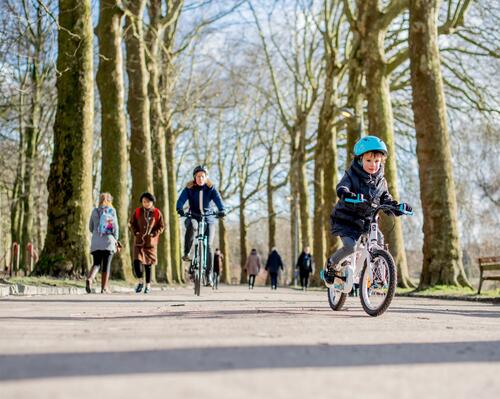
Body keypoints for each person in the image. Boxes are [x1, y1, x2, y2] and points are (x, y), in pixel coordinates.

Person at [324, 136, 412, 287]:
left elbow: (386, 199)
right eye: (369, 161)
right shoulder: (352, 174)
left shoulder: (381, 181)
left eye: (377, 161)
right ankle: (331, 265)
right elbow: (342, 187)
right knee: (350, 247)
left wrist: (397, 207)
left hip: (368, 221)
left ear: (381, 161)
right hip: (347, 220)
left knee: (378, 241)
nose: (373, 165)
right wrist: (346, 193)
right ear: (360, 159)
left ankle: (378, 274)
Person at [176, 165, 225, 285]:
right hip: (193, 216)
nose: (200, 178)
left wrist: (222, 210)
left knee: (208, 245)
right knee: (192, 226)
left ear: (206, 177)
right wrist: (180, 208)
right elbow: (181, 200)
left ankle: (208, 275)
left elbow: (219, 201)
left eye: (203, 176)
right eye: (198, 176)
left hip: (209, 218)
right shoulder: (189, 188)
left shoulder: (211, 189)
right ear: (194, 177)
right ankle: (187, 252)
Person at [129, 192, 165, 294]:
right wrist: (135, 231)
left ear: (152, 202)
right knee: (137, 262)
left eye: (148, 202)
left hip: (150, 243)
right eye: (144, 202)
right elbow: (132, 223)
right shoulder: (137, 212)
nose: (146, 203)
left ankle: (148, 285)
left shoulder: (157, 213)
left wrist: (154, 233)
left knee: (148, 264)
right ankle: (140, 281)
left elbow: (161, 226)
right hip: (139, 241)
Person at [86, 193, 119, 294]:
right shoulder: (112, 211)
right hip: (108, 242)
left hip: (96, 241)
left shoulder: (94, 211)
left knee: (96, 263)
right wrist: (116, 240)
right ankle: (104, 288)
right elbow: (116, 228)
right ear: (110, 201)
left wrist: (97, 234)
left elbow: (90, 228)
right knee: (106, 265)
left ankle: (90, 279)